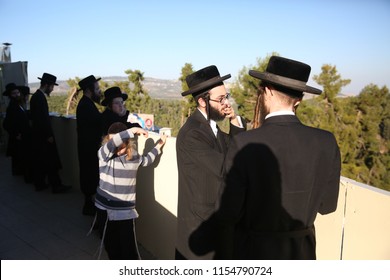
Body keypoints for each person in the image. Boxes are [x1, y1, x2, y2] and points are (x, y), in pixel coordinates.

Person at [214, 56, 341, 259]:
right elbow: (327, 206)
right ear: (298, 100)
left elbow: (226, 212)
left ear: (268, 92)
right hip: (303, 254)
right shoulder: (326, 142)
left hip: (254, 254)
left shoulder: (244, 143)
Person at [175, 65, 246, 260]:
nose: (226, 103)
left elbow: (233, 148)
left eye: (227, 96)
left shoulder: (212, 128)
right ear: (202, 101)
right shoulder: (193, 134)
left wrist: (234, 122)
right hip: (200, 231)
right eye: (220, 99)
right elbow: (227, 167)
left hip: (216, 226)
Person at [94, 122, 167, 259]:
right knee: (111, 248)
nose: (116, 146)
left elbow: (146, 161)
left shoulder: (133, 157)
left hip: (125, 213)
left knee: (128, 250)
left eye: (121, 143)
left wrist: (159, 145)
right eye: (113, 141)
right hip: (105, 210)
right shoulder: (103, 154)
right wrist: (132, 130)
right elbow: (112, 143)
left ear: (128, 142)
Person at [29, 73, 71, 193]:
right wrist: (48, 135)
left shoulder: (36, 96)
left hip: (39, 136)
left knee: (43, 161)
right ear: (46, 85)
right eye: (52, 86)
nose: (52, 89)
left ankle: (41, 184)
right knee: (50, 161)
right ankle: (55, 186)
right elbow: (42, 119)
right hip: (43, 136)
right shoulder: (40, 98)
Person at [76, 75, 103, 215]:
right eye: (97, 88)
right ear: (88, 90)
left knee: (88, 175)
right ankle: (89, 206)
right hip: (88, 148)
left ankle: (89, 204)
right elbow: (97, 122)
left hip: (87, 147)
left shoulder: (86, 103)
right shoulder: (86, 105)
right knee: (89, 175)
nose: (99, 91)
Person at [2, 83, 32, 182]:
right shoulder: (12, 107)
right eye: (14, 93)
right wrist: (16, 134)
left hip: (22, 136)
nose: (17, 95)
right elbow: (6, 124)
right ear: (10, 95)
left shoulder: (18, 105)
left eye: (17, 93)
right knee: (24, 157)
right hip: (20, 137)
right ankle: (28, 178)